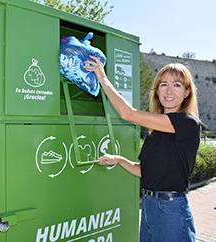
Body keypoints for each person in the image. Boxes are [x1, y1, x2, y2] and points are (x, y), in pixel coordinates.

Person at [83, 55, 201, 242]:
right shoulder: (156, 131)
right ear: (157, 91)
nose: (169, 90)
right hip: (149, 206)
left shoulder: (187, 123)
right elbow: (144, 171)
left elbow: (127, 113)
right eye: (163, 84)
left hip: (170, 209)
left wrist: (102, 77)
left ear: (187, 92)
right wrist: (119, 160)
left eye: (177, 85)